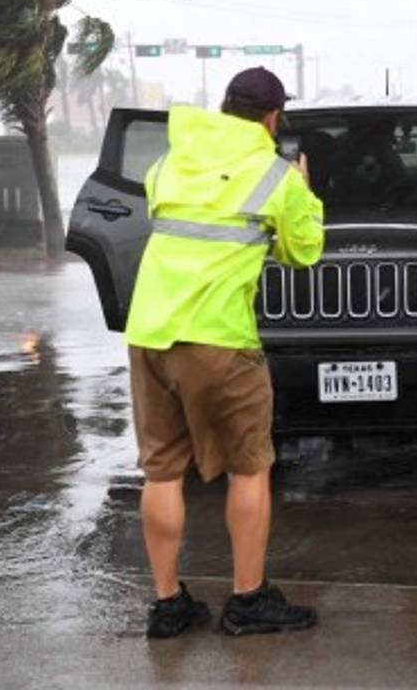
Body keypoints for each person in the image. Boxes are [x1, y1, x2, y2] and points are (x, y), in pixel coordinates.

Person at [124, 67, 325, 638]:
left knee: (161, 472)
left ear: (222, 106)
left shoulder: (169, 163)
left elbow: (172, 217)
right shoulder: (273, 175)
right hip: (218, 338)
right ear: (272, 118)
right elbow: (303, 252)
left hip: (151, 333)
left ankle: (168, 605)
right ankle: (248, 599)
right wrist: (303, 192)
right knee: (249, 466)